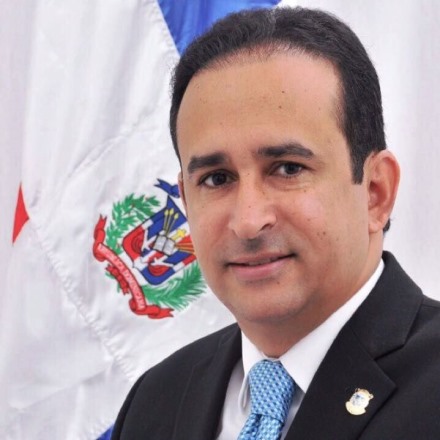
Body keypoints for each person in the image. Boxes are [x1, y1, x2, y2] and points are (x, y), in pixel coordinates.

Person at [112, 6, 440, 440]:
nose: (248, 221)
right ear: (186, 201)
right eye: (217, 179)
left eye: (287, 169)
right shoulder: (155, 400)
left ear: (375, 192)